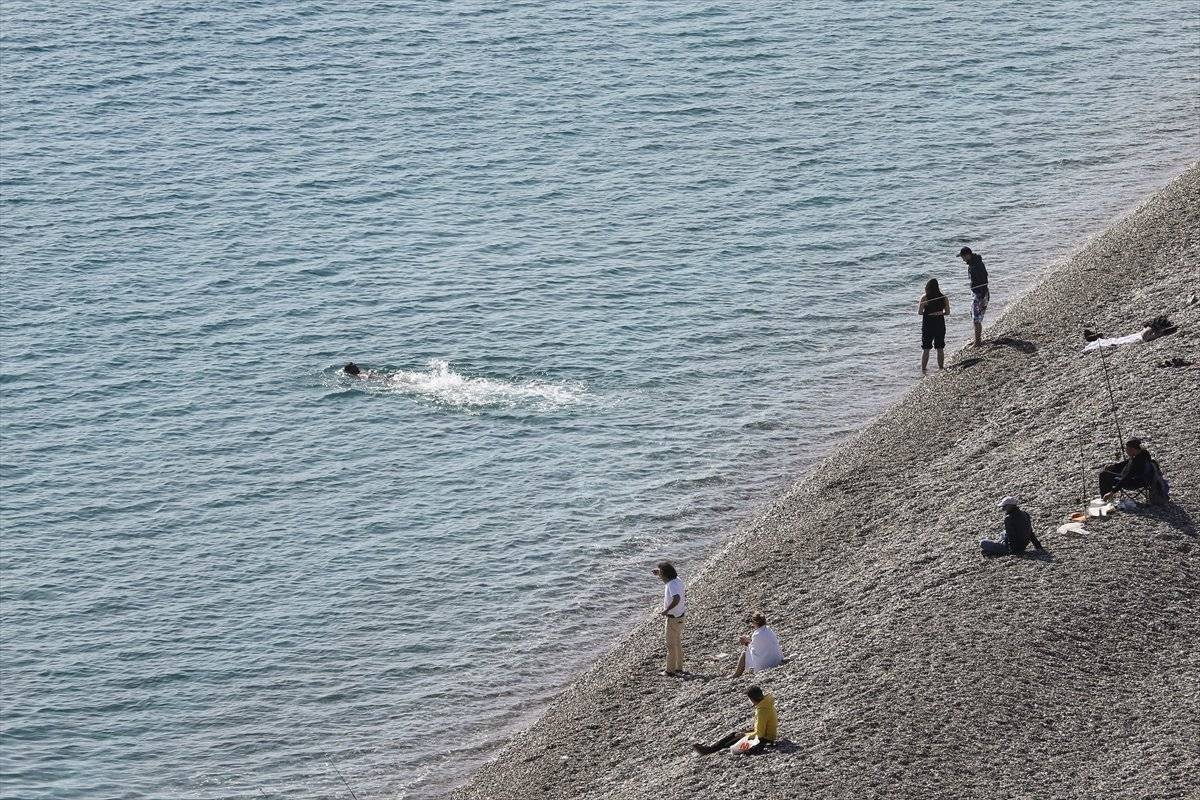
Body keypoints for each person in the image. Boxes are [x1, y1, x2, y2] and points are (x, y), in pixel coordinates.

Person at [692, 685, 779, 755]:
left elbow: (760, 734)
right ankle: (710, 749)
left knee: (734, 745)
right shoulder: (767, 703)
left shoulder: (762, 710)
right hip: (767, 735)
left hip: (765, 738)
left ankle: (711, 750)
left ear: (752, 699)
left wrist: (744, 734)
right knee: (734, 734)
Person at [653, 561, 686, 676]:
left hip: (673, 619)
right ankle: (679, 667)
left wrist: (666, 609)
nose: (660, 576)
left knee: (671, 645)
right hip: (680, 616)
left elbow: (676, 598)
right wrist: (659, 572)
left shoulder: (671, 585)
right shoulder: (677, 580)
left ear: (665, 574)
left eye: (660, 573)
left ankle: (669, 670)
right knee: (677, 643)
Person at [980, 496, 1044, 556]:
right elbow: (1030, 532)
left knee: (983, 542)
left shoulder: (1008, 518)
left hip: (1014, 548)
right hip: (1023, 545)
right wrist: (1038, 546)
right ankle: (999, 543)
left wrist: (1011, 552)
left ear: (1010, 506)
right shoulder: (1025, 514)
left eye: (1004, 507)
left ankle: (998, 546)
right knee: (1003, 533)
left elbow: (1011, 536)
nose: (1003, 508)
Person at [730, 612, 784, 678]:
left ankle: (736, 674)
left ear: (755, 622)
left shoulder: (756, 634)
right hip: (777, 660)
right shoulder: (769, 630)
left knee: (744, 653)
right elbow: (760, 646)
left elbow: (754, 651)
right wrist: (749, 641)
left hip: (765, 665)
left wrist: (746, 643)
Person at [918, 278, 951, 372]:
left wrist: (930, 313)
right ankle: (941, 367)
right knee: (940, 347)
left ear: (927, 287)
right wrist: (939, 313)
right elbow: (947, 312)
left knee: (926, 348)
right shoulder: (944, 297)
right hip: (939, 324)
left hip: (928, 325)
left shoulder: (924, 298)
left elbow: (920, 312)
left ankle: (923, 369)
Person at [959, 246, 988, 346]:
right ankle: (977, 339)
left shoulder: (976, 266)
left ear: (967, 255)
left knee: (976, 319)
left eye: (963, 257)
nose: (962, 259)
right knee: (975, 317)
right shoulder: (973, 263)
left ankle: (978, 342)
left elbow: (984, 280)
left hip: (980, 295)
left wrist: (982, 298)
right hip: (977, 293)